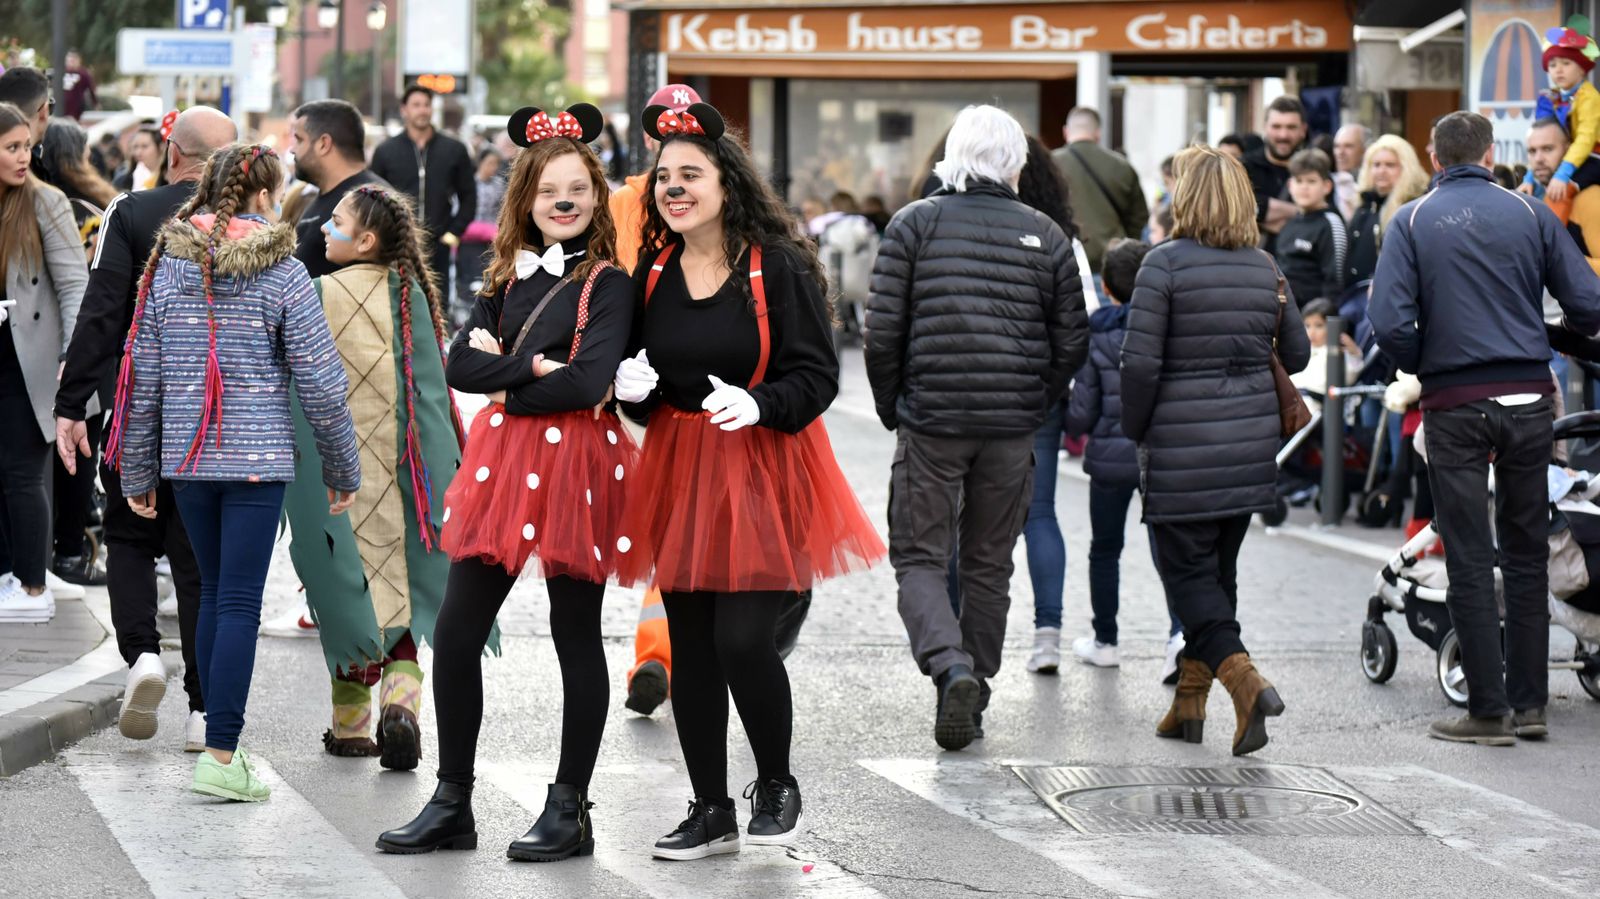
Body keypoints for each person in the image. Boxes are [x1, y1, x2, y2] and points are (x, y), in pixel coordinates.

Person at [614, 99, 882, 860]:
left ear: (726, 181)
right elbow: (643, 375)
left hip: (762, 467)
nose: (674, 187)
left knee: (741, 638)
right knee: (691, 647)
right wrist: (635, 390)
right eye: (664, 176)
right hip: (681, 467)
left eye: (689, 173)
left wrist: (758, 401)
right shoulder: (655, 268)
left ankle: (776, 782)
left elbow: (818, 376)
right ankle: (709, 807)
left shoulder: (777, 265)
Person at [377, 104, 637, 860]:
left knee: (573, 633)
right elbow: (460, 365)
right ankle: (453, 799)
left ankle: (570, 808)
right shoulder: (502, 279)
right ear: (524, 198)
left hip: (575, 466)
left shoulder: (609, 285)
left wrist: (510, 382)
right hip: (502, 467)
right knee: (457, 633)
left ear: (595, 199)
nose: (565, 202)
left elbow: (589, 384)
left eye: (578, 191)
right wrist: (531, 369)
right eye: (550, 190)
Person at [109, 142, 360, 800]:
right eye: (274, 192)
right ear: (259, 195)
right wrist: (342, 465)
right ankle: (221, 749)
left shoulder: (168, 266)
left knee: (216, 593)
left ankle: (213, 738)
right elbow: (323, 384)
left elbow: (143, 376)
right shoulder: (284, 273)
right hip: (257, 462)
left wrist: (138, 473)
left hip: (188, 463)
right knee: (238, 602)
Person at [1368, 111, 1600, 746]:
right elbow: (1589, 304)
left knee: (1470, 556)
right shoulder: (1530, 214)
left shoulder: (1411, 221)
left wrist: (1427, 364)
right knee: (1527, 553)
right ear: (1493, 153)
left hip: (1455, 407)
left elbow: (1387, 324)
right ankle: (1531, 708)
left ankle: (1487, 711)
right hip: (1529, 402)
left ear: (1434, 156)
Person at [867, 104, 1086, 753]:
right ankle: (978, 683)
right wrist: (1033, 400)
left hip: (932, 420)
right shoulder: (1046, 234)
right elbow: (1072, 338)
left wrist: (893, 405)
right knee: (990, 562)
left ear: (950, 156)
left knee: (919, 556)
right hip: (1011, 427)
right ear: (1015, 163)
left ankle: (950, 666)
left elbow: (882, 334)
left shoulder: (913, 224)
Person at [55, 105, 237, 749]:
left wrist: (73, 403)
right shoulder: (251, 228)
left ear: (172, 150)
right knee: (198, 562)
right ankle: (203, 710)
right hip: (214, 421)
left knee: (130, 540)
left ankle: (143, 658)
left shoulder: (129, 214)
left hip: (136, 407)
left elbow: (99, 314)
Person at [1121, 145, 1309, 757]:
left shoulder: (1163, 265)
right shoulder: (1265, 267)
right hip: (1250, 448)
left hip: (1181, 449)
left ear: (1185, 198)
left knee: (1187, 580)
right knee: (1216, 577)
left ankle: (1246, 682)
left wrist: (1136, 427)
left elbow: (1141, 365)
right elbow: (1299, 356)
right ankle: (1188, 705)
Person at [282, 184, 460, 770]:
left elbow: (296, 384)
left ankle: (351, 725)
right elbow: (432, 397)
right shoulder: (410, 297)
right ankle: (403, 705)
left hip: (334, 477)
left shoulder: (316, 293)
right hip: (403, 476)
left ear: (366, 240)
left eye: (335, 223)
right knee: (400, 593)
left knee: (343, 592)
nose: (323, 231)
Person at [946, 135, 1095, 679]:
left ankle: (959, 650)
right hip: (1036, 396)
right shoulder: (1061, 239)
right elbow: (1080, 327)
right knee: (1040, 515)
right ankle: (1047, 636)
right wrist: (1049, 389)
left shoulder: (947, 226)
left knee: (966, 519)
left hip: (963, 395)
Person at [605, 81, 703, 720]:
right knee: (688, 530)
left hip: (632, 377)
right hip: (686, 382)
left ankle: (658, 655)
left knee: (667, 528)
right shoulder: (710, 195)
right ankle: (666, 654)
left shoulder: (624, 201)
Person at [1063, 238, 1184, 675]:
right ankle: (1179, 635)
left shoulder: (1099, 332)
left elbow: (1081, 413)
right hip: (1162, 455)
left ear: (1108, 288)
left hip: (1110, 460)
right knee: (1169, 549)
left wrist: (1069, 424)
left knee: (1105, 549)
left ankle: (1106, 640)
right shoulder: (1169, 328)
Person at [0, 103, 88, 623]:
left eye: (25, 146)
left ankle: (34, 586)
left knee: (22, 471)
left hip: (29, 358)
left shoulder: (45, 201)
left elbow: (75, 284)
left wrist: (69, 356)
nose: (23, 156)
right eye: (10, 147)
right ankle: (10, 574)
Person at [39, 117, 116, 588]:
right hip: (95, 345)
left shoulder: (55, 207)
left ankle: (65, 549)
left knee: (61, 453)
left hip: (61, 343)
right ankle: (70, 549)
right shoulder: (98, 205)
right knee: (79, 449)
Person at [369, 84, 476, 300]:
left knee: (438, 304)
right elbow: (374, 197)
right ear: (404, 110)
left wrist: (453, 233)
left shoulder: (454, 149)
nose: (423, 110)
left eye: (427, 105)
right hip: (398, 244)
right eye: (416, 105)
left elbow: (469, 196)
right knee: (399, 303)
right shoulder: (386, 151)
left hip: (439, 244)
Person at [291, 100, 386, 281]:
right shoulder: (325, 196)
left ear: (323, 144)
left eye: (299, 139)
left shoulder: (370, 203)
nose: (292, 149)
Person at [1052, 107, 1148, 273]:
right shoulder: (1121, 166)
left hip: (1065, 263)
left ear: (1065, 131)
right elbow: (1139, 217)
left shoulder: (1050, 165)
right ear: (1098, 133)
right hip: (1112, 265)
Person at [1519, 16, 1600, 210]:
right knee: (1527, 192)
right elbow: (1540, 139)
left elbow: (1585, 139)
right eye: (1553, 65)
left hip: (1593, 158)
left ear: (1582, 69)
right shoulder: (1550, 98)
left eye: (1566, 63)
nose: (1558, 70)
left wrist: (1563, 174)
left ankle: (1555, 239)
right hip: (1565, 159)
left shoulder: (1589, 97)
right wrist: (1530, 176)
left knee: (1561, 193)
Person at [1346, 134, 1430, 284]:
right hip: (1355, 295)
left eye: (1390, 165)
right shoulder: (1364, 205)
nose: (1381, 171)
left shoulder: (1415, 208)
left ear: (1406, 169)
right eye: (1376, 165)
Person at [1274, 148, 1346, 309]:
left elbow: (1336, 279)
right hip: (1285, 311)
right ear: (1290, 185)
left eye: (1311, 181)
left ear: (1327, 186)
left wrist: (1325, 320)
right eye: (1299, 181)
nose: (1304, 187)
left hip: (1314, 318)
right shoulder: (1289, 225)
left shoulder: (1331, 223)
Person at [1242, 95, 1309, 250]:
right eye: (1276, 127)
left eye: (1291, 127)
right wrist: (1300, 212)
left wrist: (1261, 215)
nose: (1283, 135)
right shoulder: (1244, 167)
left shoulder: (1314, 167)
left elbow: (1325, 215)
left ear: (1303, 130)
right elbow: (1235, 209)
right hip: (1253, 265)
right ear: (1265, 127)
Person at [454, 147, 504, 323]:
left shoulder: (499, 185)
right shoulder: (469, 184)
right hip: (469, 237)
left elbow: (501, 211)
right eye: (490, 163)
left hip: (490, 238)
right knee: (467, 278)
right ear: (480, 163)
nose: (493, 168)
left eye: (496, 164)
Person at [1288, 298, 1363, 413]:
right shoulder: (1300, 350)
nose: (1311, 332)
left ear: (1334, 326)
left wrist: (1354, 353)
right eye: (1307, 326)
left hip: (1314, 407)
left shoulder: (1338, 351)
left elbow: (1350, 374)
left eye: (1318, 326)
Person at [1332, 123, 1367, 221]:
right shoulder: (1325, 183)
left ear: (1364, 150)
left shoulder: (1371, 186)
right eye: (1337, 146)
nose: (1340, 152)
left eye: (1348, 146)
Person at [115, 126, 165, 192]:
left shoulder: (168, 179)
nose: (138, 152)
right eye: (135, 147)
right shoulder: (123, 181)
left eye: (144, 146)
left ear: (161, 147)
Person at [61, 51, 96, 120]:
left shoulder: (83, 73)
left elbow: (91, 89)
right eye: (69, 61)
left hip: (76, 107)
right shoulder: (62, 72)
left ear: (78, 61)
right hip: (63, 106)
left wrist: (95, 102)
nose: (71, 63)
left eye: (73, 61)